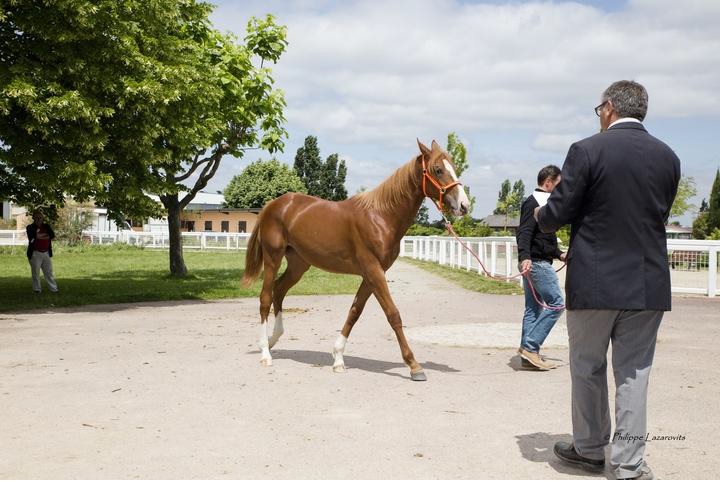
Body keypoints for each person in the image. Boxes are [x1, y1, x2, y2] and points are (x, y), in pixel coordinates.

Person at [535, 80, 680, 480]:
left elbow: (558, 212)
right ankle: (629, 464)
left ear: (610, 107)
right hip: (648, 283)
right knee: (634, 374)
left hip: (595, 281)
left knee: (587, 366)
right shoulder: (668, 156)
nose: (598, 115)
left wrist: (539, 217)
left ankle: (591, 449)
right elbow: (659, 213)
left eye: (599, 108)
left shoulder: (586, 150)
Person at [516, 165, 566, 370]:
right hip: (536, 264)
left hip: (535, 261)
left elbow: (544, 238)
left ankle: (527, 356)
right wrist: (524, 256)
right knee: (557, 304)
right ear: (548, 183)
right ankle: (530, 347)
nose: (561, 189)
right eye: (558, 185)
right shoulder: (534, 203)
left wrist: (559, 254)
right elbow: (525, 232)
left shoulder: (544, 203)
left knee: (533, 309)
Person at [26, 210, 59, 294]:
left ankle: (54, 289)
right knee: (36, 273)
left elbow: (52, 236)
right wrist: (42, 236)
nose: (38, 219)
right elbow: (32, 237)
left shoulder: (46, 226)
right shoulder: (30, 227)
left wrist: (39, 236)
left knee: (49, 272)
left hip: (46, 253)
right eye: (36, 217)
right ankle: (37, 290)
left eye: (40, 217)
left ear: (42, 218)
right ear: (33, 218)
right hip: (35, 253)